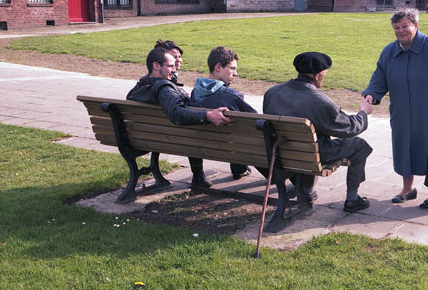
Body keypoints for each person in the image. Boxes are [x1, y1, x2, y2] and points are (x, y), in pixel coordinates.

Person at [362, 7, 428, 209]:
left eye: (405, 26)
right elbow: (379, 76)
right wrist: (371, 94)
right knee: (404, 148)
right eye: (396, 27)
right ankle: (408, 189)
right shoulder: (390, 51)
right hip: (401, 113)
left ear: (415, 25)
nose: (400, 31)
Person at [263, 52, 374, 213]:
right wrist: (362, 112)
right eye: (324, 74)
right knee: (359, 145)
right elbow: (349, 128)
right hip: (312, 154)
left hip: (281, 152)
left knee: (306, 145)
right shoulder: (318, 100)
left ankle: (307, 191)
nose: (324, 77)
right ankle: (352, 198)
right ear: (317, 75)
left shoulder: (272, 92)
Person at [126, 45, 232, 189]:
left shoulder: (140, 88)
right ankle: (231, 167)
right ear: (156, 66)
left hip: (147, 138)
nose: (175, 69)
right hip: (178, 139)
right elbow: (176, 113)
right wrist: (208, 115)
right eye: (170, 66)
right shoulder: (164, 89)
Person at [190, 46, 256, 181]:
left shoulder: (194, 93)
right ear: (218, 67)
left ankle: (198, 176)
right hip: (228, 148)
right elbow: (255, 120)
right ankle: (240, 168)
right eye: (232, 68)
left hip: (199, 145)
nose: (235, 73)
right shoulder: (231, 95)